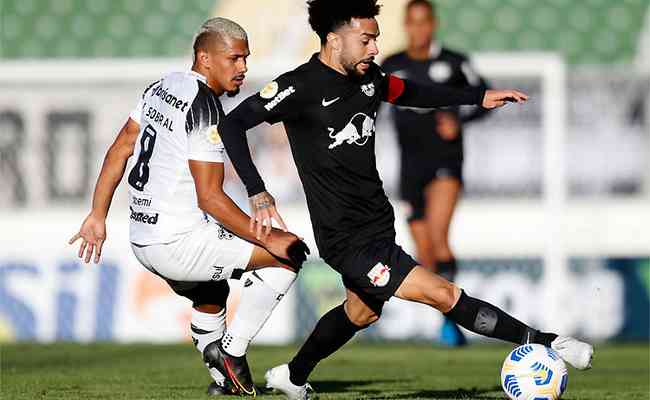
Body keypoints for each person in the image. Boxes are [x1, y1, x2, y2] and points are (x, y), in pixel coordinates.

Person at [220, 1, 594, 398]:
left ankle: (292, 377)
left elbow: (412, 90)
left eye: (376, 40)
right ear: (334, 40)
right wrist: (257, 191)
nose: (374, 49)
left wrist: (476, 96)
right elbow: (232, 124)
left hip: (378, 222)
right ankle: (549, 342)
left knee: (361, 312)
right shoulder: (298, 86)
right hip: (345, 237)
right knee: (445, 294)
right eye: (366, 40)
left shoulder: (369, 79)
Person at [68, 17, 309, 397]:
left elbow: (121, 148)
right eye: (234, 59)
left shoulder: (161, 86)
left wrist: (97, 214)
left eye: (246, 59)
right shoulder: (205, 108)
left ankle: (222, 383)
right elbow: (210, 197)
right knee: (290, 253)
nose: (243, 68)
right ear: (205, 58)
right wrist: (268, 237)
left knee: (211, 295)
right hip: (177, 241)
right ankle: (231, 353)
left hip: (142, 238)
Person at [381, 0, 492, 347]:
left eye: (423, 22)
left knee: (440, 236)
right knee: (425, 251)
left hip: (445, 162)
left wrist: (459, 119)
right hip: (409, 165)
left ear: (433, 24)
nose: (418, 29)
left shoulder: (455, 62)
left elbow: (484, 97)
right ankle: (451, 317)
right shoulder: (392, 65)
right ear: (406, 25)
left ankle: (454, 324)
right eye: (411, 23)